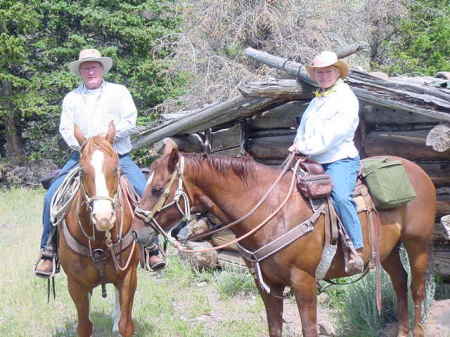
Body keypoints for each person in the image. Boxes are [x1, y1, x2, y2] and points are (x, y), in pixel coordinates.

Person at [34, 48, 165, 277]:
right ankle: (48, 251)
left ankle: (151, 247)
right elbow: (66, 128)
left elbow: (130, 120)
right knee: (51, 197)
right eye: (86, 67)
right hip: (82, 157)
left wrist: (106, 139)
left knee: (143, 192)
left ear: (102, 68)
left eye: (94, 66)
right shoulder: (72, 98)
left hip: (117, 155)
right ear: (80, 72)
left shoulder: (119, 92)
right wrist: (85, 146)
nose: (90, 70)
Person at [289, 50, 364, 272]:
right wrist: (297, 145)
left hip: (338, 159)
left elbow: (335, 134)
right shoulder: (318, 99)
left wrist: (305, 147)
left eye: (328, 71)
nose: (323, 76)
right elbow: (304, 128)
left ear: (338, 72)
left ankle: (355, 248)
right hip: (311, 159)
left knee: (340, 197)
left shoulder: (345, 98)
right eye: (319, 72)